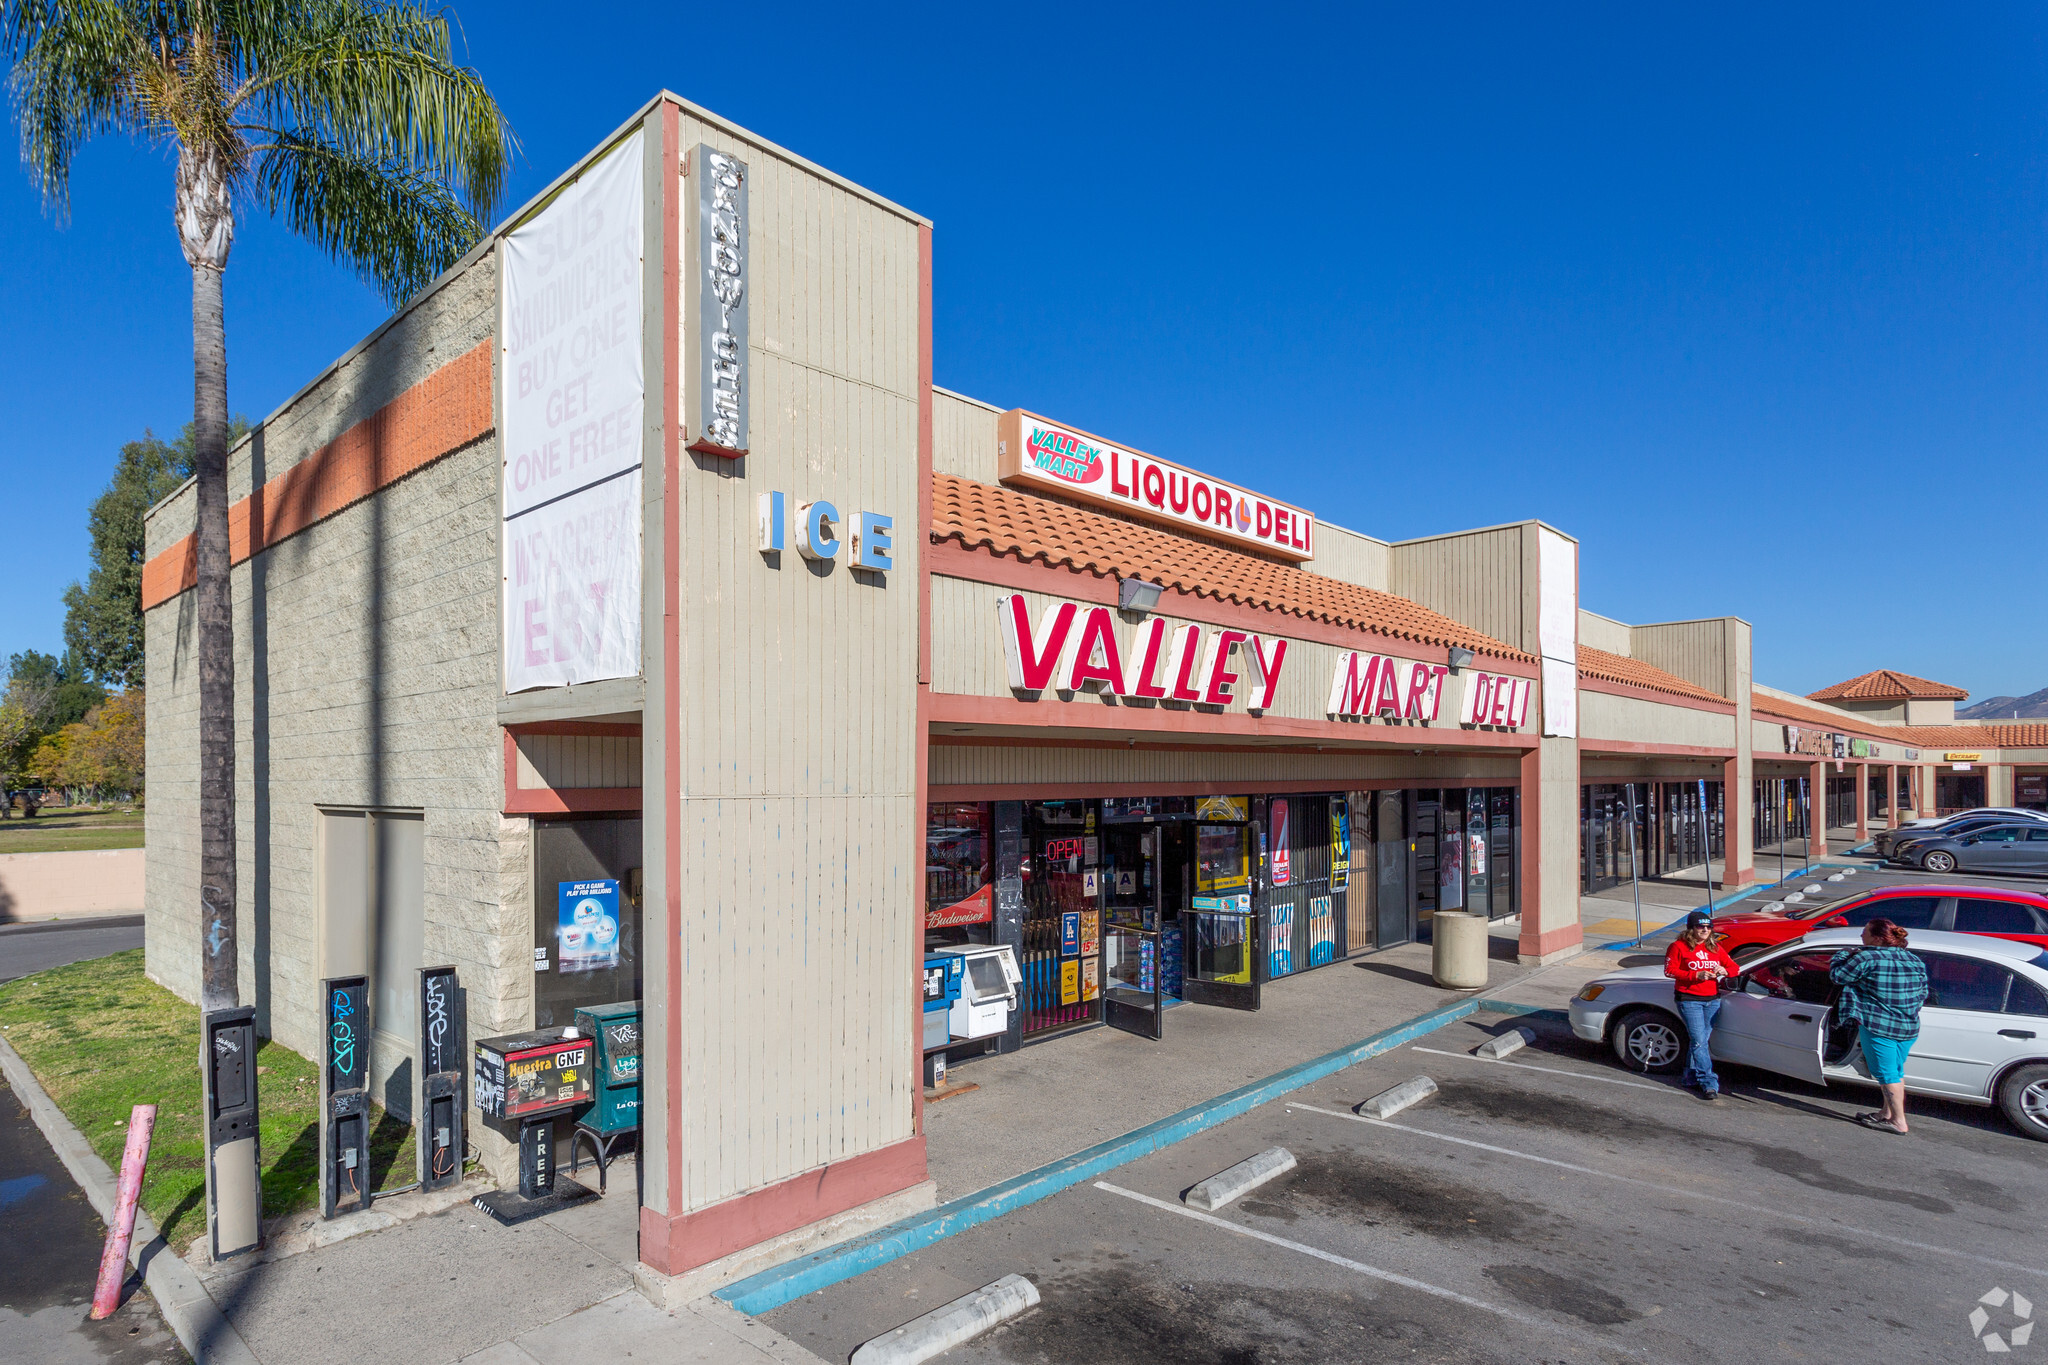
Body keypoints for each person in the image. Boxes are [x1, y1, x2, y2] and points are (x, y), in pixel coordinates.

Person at [1829, 918, 1928, 1134]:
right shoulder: (1914, 960)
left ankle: (1898, 1122)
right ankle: (1886, 1114)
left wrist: (1842, 954)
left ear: (1876, 937)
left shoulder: (1867, 957)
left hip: (1879, 1026)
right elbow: (1923, 993)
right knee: (1895, 1072)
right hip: (1908, 1027)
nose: (1861, 936)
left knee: (1886, 1075)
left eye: (1864, 932)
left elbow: (1838, 976)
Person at [1663, 910, 1740, 1101]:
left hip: (1712, 1000)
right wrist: (1695, 975)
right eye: (1700, 926)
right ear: (1691, 928)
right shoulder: (1678, 946)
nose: (1705, 930)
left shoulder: (1714, 947)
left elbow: (1734, 968)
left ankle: (1689, 1077)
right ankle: (1709, 1082)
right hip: (1689, 1000)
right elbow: (1669, 970)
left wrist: (1725, 970)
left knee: (1700, 1042)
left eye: (1708, 927)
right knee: (1699, 1041)